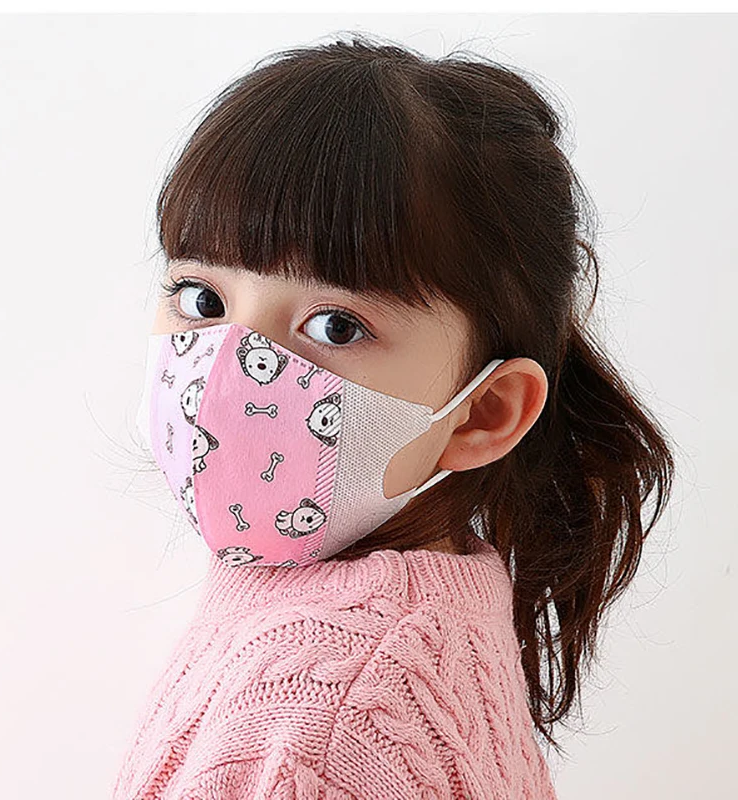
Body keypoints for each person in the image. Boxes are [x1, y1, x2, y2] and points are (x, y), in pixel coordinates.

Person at [113, 35, 675, 799]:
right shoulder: (411, 612)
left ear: (482, 412)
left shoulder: (319, 727)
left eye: (335, 325)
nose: (226, 366)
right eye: (202, 299)